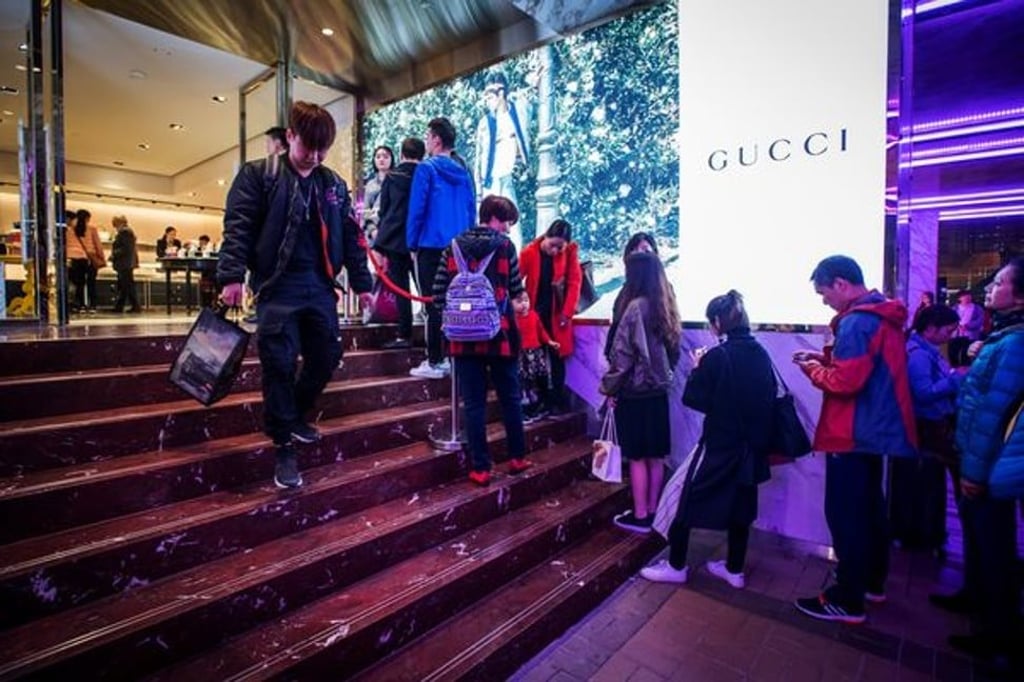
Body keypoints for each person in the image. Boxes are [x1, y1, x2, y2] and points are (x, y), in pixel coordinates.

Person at [218, 101, 373, 490]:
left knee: (327, 356)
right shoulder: (260, 175)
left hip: (319, 286)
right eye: (309, 147)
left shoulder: (332, 184)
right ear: (290, 137)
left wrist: (362, 283)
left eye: (323, 150)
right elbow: (238, 226)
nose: (315, 157)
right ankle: (283, 444)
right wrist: (232, 275)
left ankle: (294, 415)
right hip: (277, 287)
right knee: (279, 364)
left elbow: (351, 237)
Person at [793, 255, 917, 624]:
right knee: (870, 512)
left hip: (851, 432)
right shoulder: (881, 314)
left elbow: (845, 382)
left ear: (841, 284)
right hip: (872, 432)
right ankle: (872, 584)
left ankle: (847, 598)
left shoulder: (858, 322)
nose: (824, 301)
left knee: (846, 516)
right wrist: (823, 356)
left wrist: (812, 369)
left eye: (824, 293)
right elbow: (865, 366)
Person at [641, 290, 773, 587]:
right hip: (751, 449)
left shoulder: (717, 356)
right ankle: (735, 571)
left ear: (717, 322)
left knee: (680, 497)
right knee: (741, 507)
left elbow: (694, 399)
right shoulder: (761, 353)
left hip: (718, 445)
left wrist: (697, 369)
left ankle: (676, 566)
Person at [944, 257, 1024, 661]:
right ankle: (978, 604)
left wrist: (974, 472)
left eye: (1000, 282)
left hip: (991, 464)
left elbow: (996, 413)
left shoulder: (1016, 344)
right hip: (982, 458)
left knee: (995, 549)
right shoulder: (1004, 336)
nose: (990, 288)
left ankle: (999, 638)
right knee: (982, 540)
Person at [431, 195, 531, 486]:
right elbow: (515, 289)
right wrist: (518, 303)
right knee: (510, 399)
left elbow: (438, 294)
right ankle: (516, 457)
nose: (508, 228)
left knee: (474, 404)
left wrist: (462, 314)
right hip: (499, 335)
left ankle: (481, 468)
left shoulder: (453, 247)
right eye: (507, 222)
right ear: (495, 218)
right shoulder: (505, 247)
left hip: (462, 340)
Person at [599, 251, 680, 533]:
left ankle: (640, 514)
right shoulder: (666, 306)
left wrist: (609, 388)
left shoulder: (635, 307)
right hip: (659, 393)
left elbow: (623, 356)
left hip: (636, 392)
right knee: (656, 456)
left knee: (636, 457)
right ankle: (655, 511)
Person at [406, 117, 476, 379]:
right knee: (453, 302)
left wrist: (412, 242)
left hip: (430, 245)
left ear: (436, 139)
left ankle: (435, 360)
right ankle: (452, 357)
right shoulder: (463, 173)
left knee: (432, 303)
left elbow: (417, 209)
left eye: (428, 136)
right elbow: (471, 210)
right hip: (458, 247)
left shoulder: (426, 169)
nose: (426, 141)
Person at [891, 304, 962, 553]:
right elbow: (923, 392)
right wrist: (956, 378)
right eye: (948, 331)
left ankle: (923, 534)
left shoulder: (925, 350)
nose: (950, 336)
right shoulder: (919, 355)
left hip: (927, 428)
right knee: (927, 484)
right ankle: (923, 535)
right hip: (927, 428)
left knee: (926, 483)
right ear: (930, 328)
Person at [519, 219, 582, 413]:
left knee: (557, 357)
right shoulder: (529, 252)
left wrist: (567, 313)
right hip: (534, 315)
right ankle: (540, 399)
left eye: (559, 247)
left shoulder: (570, 253)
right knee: (534, 358)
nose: (555, 251)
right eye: (552, 245)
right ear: (545, 237)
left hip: (557, 316)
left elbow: (574, 283)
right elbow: (516, 278)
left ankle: (557, 401)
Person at [375, 137, 426, 348]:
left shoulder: (392, 177)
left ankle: (404, 334)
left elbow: (384, 209)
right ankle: (431, 332)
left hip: (395, 240)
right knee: (425, 288)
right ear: (422, 155)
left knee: (401, 289)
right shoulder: (426, 175)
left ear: (402, 154)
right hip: (422, 241)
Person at [474, 70, 530, 250]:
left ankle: (515, 259)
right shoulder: (485, 122)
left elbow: (530, 98)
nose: (487, 100)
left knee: (511, 223)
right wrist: (479, 188)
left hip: (507, 177)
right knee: (488, 225)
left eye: (490, 95)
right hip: (490, 181)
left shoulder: (517, 112)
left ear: (501, 93)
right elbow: (479, 157)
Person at [605, 231, 660, 363]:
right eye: (634, 252)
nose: (639, 257)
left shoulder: (662, 292)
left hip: (651, 364)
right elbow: (616, 326)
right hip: (626, 364)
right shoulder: (625, 291)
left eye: (645, 251)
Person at [514, 292, 560, 422]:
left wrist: (550, 341)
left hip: (536, 353)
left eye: (526, 300)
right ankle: (525, 410)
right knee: (524, 382)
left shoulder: (534, 315)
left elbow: (541, 331)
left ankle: (541, 406)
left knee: (541, 379)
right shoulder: (513, 319)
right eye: (519, 301)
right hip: (522, 354)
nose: (524, 304)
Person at [65, 208, 105, 314]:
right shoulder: (92, 229)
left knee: (79, 284)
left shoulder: (69, 230)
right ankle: (93, 306)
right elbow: (98, 245)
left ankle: (80, 305)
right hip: (89, 258)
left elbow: (66, 245)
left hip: (72, 259)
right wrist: (101, 258)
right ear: (87, 218)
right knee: (91, 283)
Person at [361, 145, 394, 243]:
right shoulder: (370, 184)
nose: (381, 159)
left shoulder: (396, 182)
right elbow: (366, 211)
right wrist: (372, 230)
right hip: (374, 233)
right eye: (378, 157)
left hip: (392, 232)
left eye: (385, 156)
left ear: (392, 159)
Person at [110, 215, 140, 313]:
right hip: (127, 263)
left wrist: (114, 254)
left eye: (115, 225)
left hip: (124, 263)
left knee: (126, 285)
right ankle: (127, 306)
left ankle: (128, 306)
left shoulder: (125, 233)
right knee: (126, 285)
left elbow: (125, 248)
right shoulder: (129, 233)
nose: (115, 228)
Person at [949, 289, 985, 366]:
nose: (967, 297)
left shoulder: (977, 308)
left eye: (969, 295)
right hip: (956, 334)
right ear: (959, 298)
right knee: (955, 352)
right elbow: (949, 320)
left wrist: (967, 325)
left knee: (968, 354)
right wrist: (956, 325)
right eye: (964, 296)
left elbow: (980, 321)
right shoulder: (954, 308)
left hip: (971, 335)